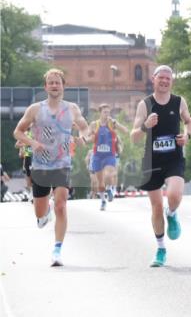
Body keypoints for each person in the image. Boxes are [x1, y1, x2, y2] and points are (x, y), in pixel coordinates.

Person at [12, 68, 92, 266]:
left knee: (61, 205)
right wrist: (33, 144)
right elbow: (18, 132)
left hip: (62, 163)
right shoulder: (35, 109)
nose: (55, 85)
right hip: (40, 165)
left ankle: (57, 249)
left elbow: (85, 127)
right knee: (40, 212)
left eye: (58, 82)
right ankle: (43, 213)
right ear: (45, 86)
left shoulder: (72, 108)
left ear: (64, 85)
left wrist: (83, 138)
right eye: (51, 82)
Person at [131, 65, 191, 267]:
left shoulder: (178, 101)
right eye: (161, 78)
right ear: (154, 79)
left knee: (174, 195)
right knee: (156, 207)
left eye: (168, 78)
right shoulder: (145, 104)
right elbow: (134, 137)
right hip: (152, 162)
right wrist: (145, 126)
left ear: (171, 81)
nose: (165, 81)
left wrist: (187, 135)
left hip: (174, 158)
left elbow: (189, 121)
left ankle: (173, 213)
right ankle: (160, 248)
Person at [88, 104, 128, 210]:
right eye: (105, 112)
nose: (107, 114)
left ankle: (110, 188)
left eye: (108, 112)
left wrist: (117, 125)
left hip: (110, 155)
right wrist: (88, 138)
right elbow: (88, 137)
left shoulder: (112, 123)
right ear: (100, 112)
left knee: (108, 175)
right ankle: (103, 200)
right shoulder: (94, 124)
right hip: (97, 156)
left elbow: (126, 131)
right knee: (100, 183)